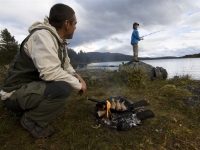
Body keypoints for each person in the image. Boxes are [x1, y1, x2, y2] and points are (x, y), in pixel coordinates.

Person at [0, 3, 87, 138]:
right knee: (63, 88)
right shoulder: (42, 36)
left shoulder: (58, 41)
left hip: (28, 89)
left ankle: (34, 109)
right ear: (66, 24)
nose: (76, 27)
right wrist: (78, 85)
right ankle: (30, 120)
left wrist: (77, 76)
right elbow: (50, 72)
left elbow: (66, 65)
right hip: (13, 94)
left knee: (64, 85)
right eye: (75, 23)